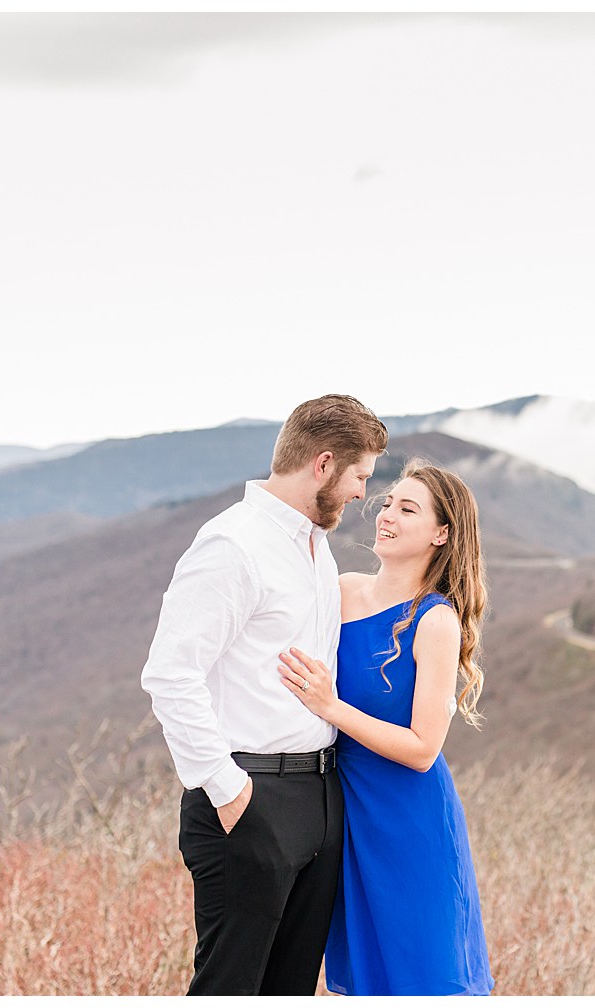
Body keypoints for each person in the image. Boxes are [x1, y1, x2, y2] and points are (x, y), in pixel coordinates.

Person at [141, 394, 388, 996]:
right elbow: (171, 674)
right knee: (231, 987)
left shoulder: (314, 545)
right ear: (324, 465)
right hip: (249, 799)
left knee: (291, 988)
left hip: (320, 796)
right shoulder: (233, 545)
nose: (361, 494)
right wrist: (228, 793)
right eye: (360, 476)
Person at [277, 457, 494, 996]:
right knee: (364, 977)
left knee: (422, 975)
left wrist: (332, 707)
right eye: (389, 502)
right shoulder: (342, 589)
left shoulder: (435, 620)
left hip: (409, 820)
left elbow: (423, 748)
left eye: (408, 508)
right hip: (345, 816)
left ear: (442, 534)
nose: (386, 515)